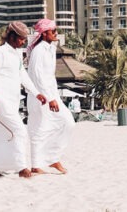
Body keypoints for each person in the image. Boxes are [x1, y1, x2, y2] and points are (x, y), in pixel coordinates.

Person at [0, 21, 47, 179]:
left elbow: (22, 75)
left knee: (1, 133)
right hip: (0, 99)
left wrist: (36, 92)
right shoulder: (0, 52)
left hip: (12, 100)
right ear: (11, 36)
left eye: (24, 39)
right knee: (19, 130)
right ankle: (22, 168)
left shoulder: (16, 54)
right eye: (21, 38)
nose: (23, 41)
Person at [26, 19, 75, 175]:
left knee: (68, 123)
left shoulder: (50, 48)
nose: (56, 33)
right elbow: (37, 76)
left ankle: (53, 158)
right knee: (38, 129)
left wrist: (54, 96)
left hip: (52, 94)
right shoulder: (39, 50)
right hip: (40, 96)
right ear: (44, 33)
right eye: (53, 31)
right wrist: (49, 97)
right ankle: (36, 165)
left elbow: (49, 76)